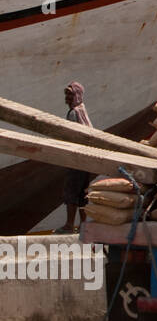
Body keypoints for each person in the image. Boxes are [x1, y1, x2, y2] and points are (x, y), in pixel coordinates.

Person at [58, 82, 93, 233]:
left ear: (77, 95)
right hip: (87, 160)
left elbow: (71, 136)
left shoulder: (73, 113)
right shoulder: (82, 110)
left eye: (70, 95)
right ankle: (83, 225)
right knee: (83, 193)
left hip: (76, 158)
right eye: (66, 95)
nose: (67, 98)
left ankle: (69, 225)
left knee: (71, 191)